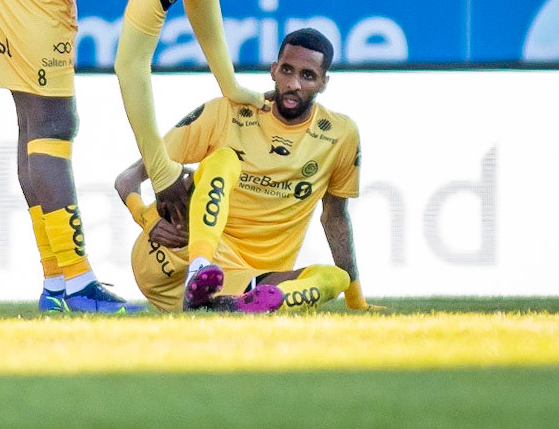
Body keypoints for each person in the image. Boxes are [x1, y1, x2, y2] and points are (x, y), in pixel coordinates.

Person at [0, 0, 286, 312]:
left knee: (38, 124)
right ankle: (75, 285)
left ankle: (59, 285)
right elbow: (130, 66)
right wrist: (163, 169)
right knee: (51, 123)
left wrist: (228, 84)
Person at [114, 28, 382, 313]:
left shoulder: (340, 134)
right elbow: (126, 179)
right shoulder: (225, 112)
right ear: (273, 70)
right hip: (174, 256)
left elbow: (335, 217)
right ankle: (200, 269)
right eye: (287, 70)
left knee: (334, 278)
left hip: (245, 277)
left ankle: (234, 307)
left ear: (323, 83)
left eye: (307, 76)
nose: (294, 84)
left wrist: (356, 301)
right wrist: (146, 220)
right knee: (224, 160)